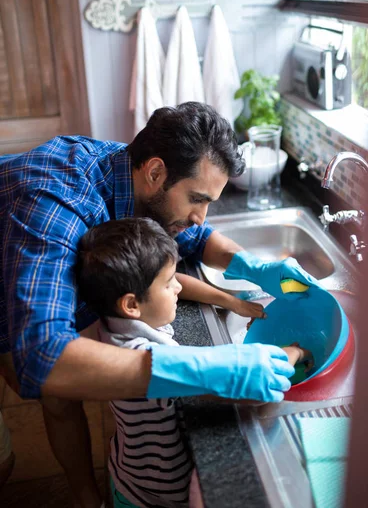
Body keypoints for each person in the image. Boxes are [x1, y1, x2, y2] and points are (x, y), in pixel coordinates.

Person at [0, 101, 315, 506]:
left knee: (59, 397)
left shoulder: (137, 179)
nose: (202, 217)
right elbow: (43, 358)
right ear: (154, 173)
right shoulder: (55, 202)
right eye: (197, 199)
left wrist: (254, 267)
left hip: (22, 265)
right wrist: (208, 366)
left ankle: (84, 498)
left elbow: (196, 238)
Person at [76, 216, 314, 508]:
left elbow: (178, 284)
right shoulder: (144, 358)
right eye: (168, 284)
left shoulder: (116, 323)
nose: (178, 288)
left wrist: (232, 302)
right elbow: (245, 382)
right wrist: (296, 352)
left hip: (127, 470)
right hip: (155, 495)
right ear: (132, 304)